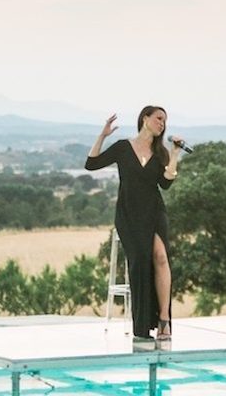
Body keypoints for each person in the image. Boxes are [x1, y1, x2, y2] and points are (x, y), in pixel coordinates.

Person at [85, 106, 182, 347]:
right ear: (145, 118)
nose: (162, 124)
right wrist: (102, 135)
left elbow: (166, 184)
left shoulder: (161, 153)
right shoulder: (122, 147)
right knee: (139, 262)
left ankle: (163, 319)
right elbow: (91, 164)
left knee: (160, 257)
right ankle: (141, 326)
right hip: (129, 213)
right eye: (159, 118)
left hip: (154, 210)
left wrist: (175, 153)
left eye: (165, 121)